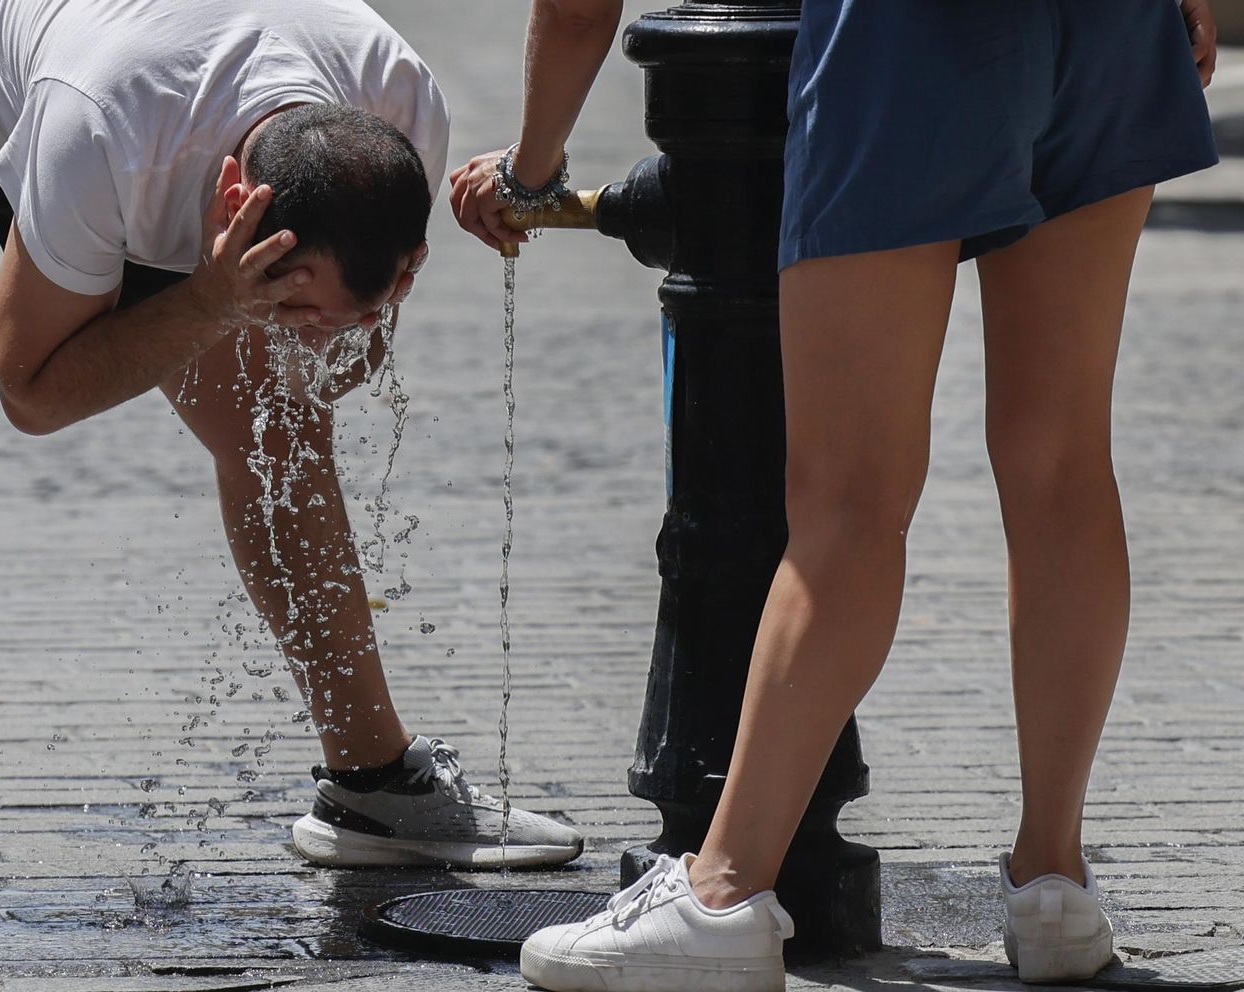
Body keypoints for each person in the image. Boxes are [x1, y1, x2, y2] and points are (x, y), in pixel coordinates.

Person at [0, 0, 584, 945]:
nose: (312, 328)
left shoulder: (398, 111)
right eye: (290, 297)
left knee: (273, 421)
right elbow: (31, 389)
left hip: (122, 94)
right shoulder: (105, 126)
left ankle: (372, 783)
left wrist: (322, 320)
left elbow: (338, 361)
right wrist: (210, 303)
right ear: (235, 204)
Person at [453, 1, 1219, 989]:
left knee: (849, 504)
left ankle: (722, 894)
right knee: (1062, 463)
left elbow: (576, 9)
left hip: (911, 37)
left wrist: (530, 171)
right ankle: (1053, 885)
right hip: (1113, 23)